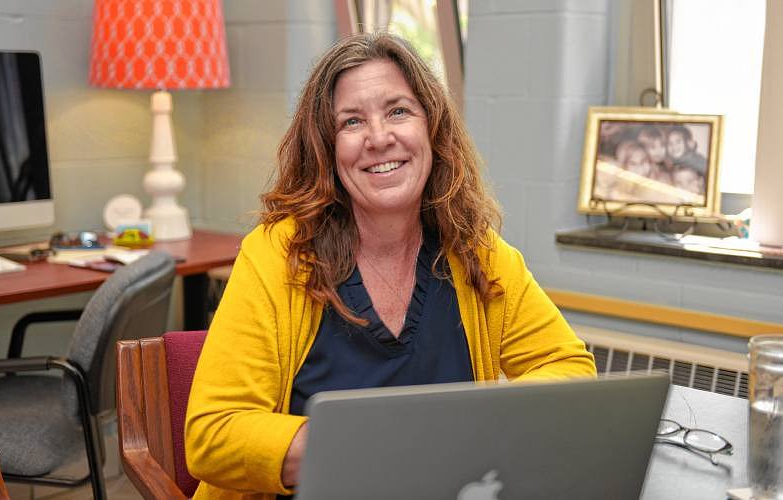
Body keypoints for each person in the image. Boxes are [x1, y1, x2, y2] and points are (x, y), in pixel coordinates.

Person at [185, 32, 596, 500]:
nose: (379, 138)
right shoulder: (278, 255)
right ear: (326, 147)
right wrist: (389, 441)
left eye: (398, 110)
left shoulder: (475, 251)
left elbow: (568, 366)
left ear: (432, 129)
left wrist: (478, 425)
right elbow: (212, 435)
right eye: (351, 122)